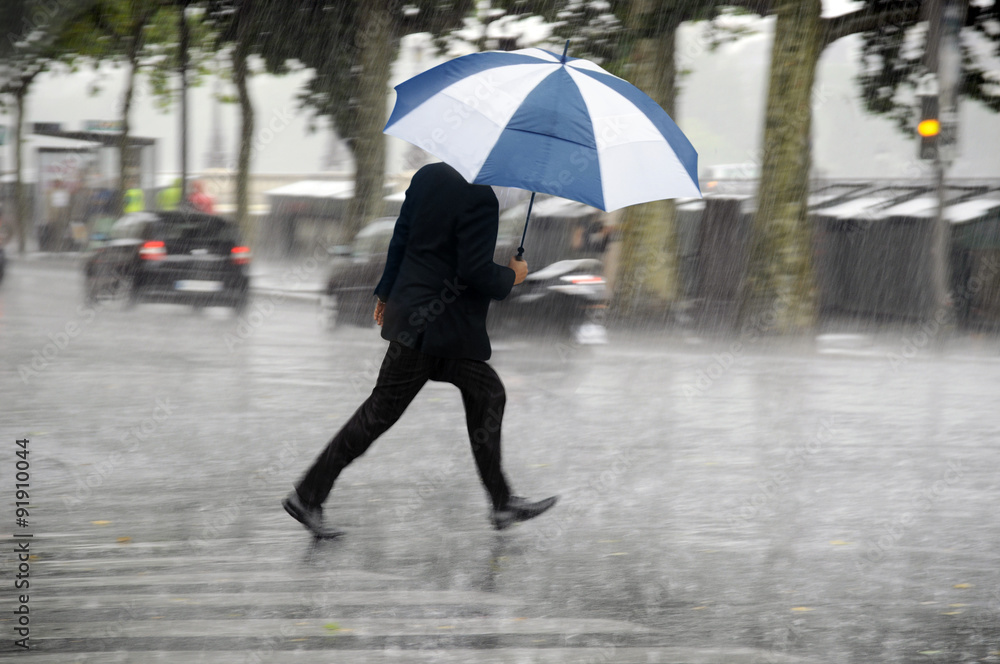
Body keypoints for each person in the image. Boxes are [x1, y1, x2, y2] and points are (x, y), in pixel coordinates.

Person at [283, 162, 558, 538]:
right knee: (381, 413)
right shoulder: (480, 198)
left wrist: (385, 292)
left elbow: (401, 236)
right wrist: (513, 275)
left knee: (485, 393)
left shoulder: (428, 177)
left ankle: (501, 502)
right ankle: (307, 495)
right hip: (440, 330)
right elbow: (474, 270)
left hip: (418, 319)